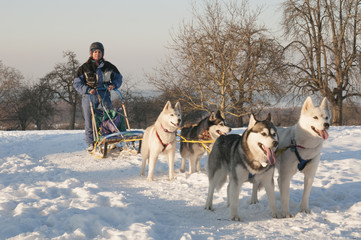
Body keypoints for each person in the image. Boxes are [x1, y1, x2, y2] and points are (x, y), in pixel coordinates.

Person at [74, 42, 123, 152]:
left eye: (99, 52)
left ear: (102, 53)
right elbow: (77, 84)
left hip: (104, 94)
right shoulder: (84, 68)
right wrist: (87, 89)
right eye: (95, 52)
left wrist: (114, 85)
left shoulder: (109, 66)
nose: (97, 54)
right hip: (89, 96)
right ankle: (91, 143)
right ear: (91, 53)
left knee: (107, 118)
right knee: (90, 120)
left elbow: (118, 78)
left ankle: (110, 140)